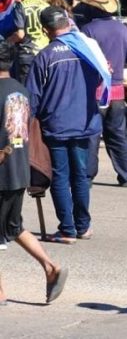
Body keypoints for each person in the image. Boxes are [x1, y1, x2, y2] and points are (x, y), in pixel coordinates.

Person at [26, 7, 108, 244]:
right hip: (85, 123)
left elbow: (33, 97)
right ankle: (83, 226)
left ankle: (67, 229)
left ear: (45, 30)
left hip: (57, 125)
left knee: (61, 176)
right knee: (80, 176)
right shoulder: (88, 51)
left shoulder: (45, 56)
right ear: (67, 22)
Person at [0, 41, 68, 305]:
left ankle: (1, 293)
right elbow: (17, 135)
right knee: (13, 227)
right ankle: (51, 267)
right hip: (18, 171)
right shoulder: (20, 91)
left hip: (2, 174)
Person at [79, 0, 127, 188]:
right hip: (117, 91)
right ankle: (126, 174)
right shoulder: (122, 28)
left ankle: (87, 175)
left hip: (95, 91)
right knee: (118, 133)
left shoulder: (87, 30)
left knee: (92, 134)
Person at [7, 0, 49, 85]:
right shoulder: (44, 4)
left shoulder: (20, 6)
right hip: (45, 51)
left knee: (26, 89)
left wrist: (7, 42)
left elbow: (20, 34)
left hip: (27, 52)